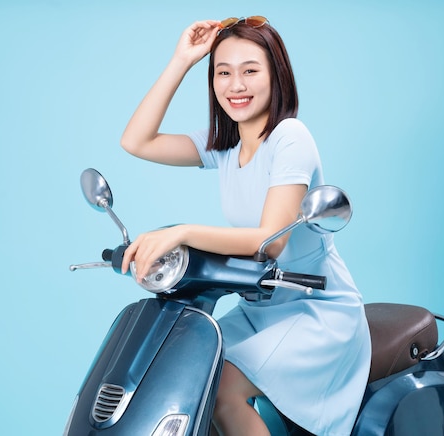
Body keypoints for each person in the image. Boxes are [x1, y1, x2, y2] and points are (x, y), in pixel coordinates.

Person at [120, 16, 371, 436]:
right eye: (224, 72)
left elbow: (269, 243)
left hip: (315, 310)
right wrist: (182, 60)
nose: (236, 85)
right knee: (181, 371)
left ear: (277, 76)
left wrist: (180, 232)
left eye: (250, 71)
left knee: (222, 393)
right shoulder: (224, 145)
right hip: (259, 308)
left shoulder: (290, 137)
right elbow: (136, 141)